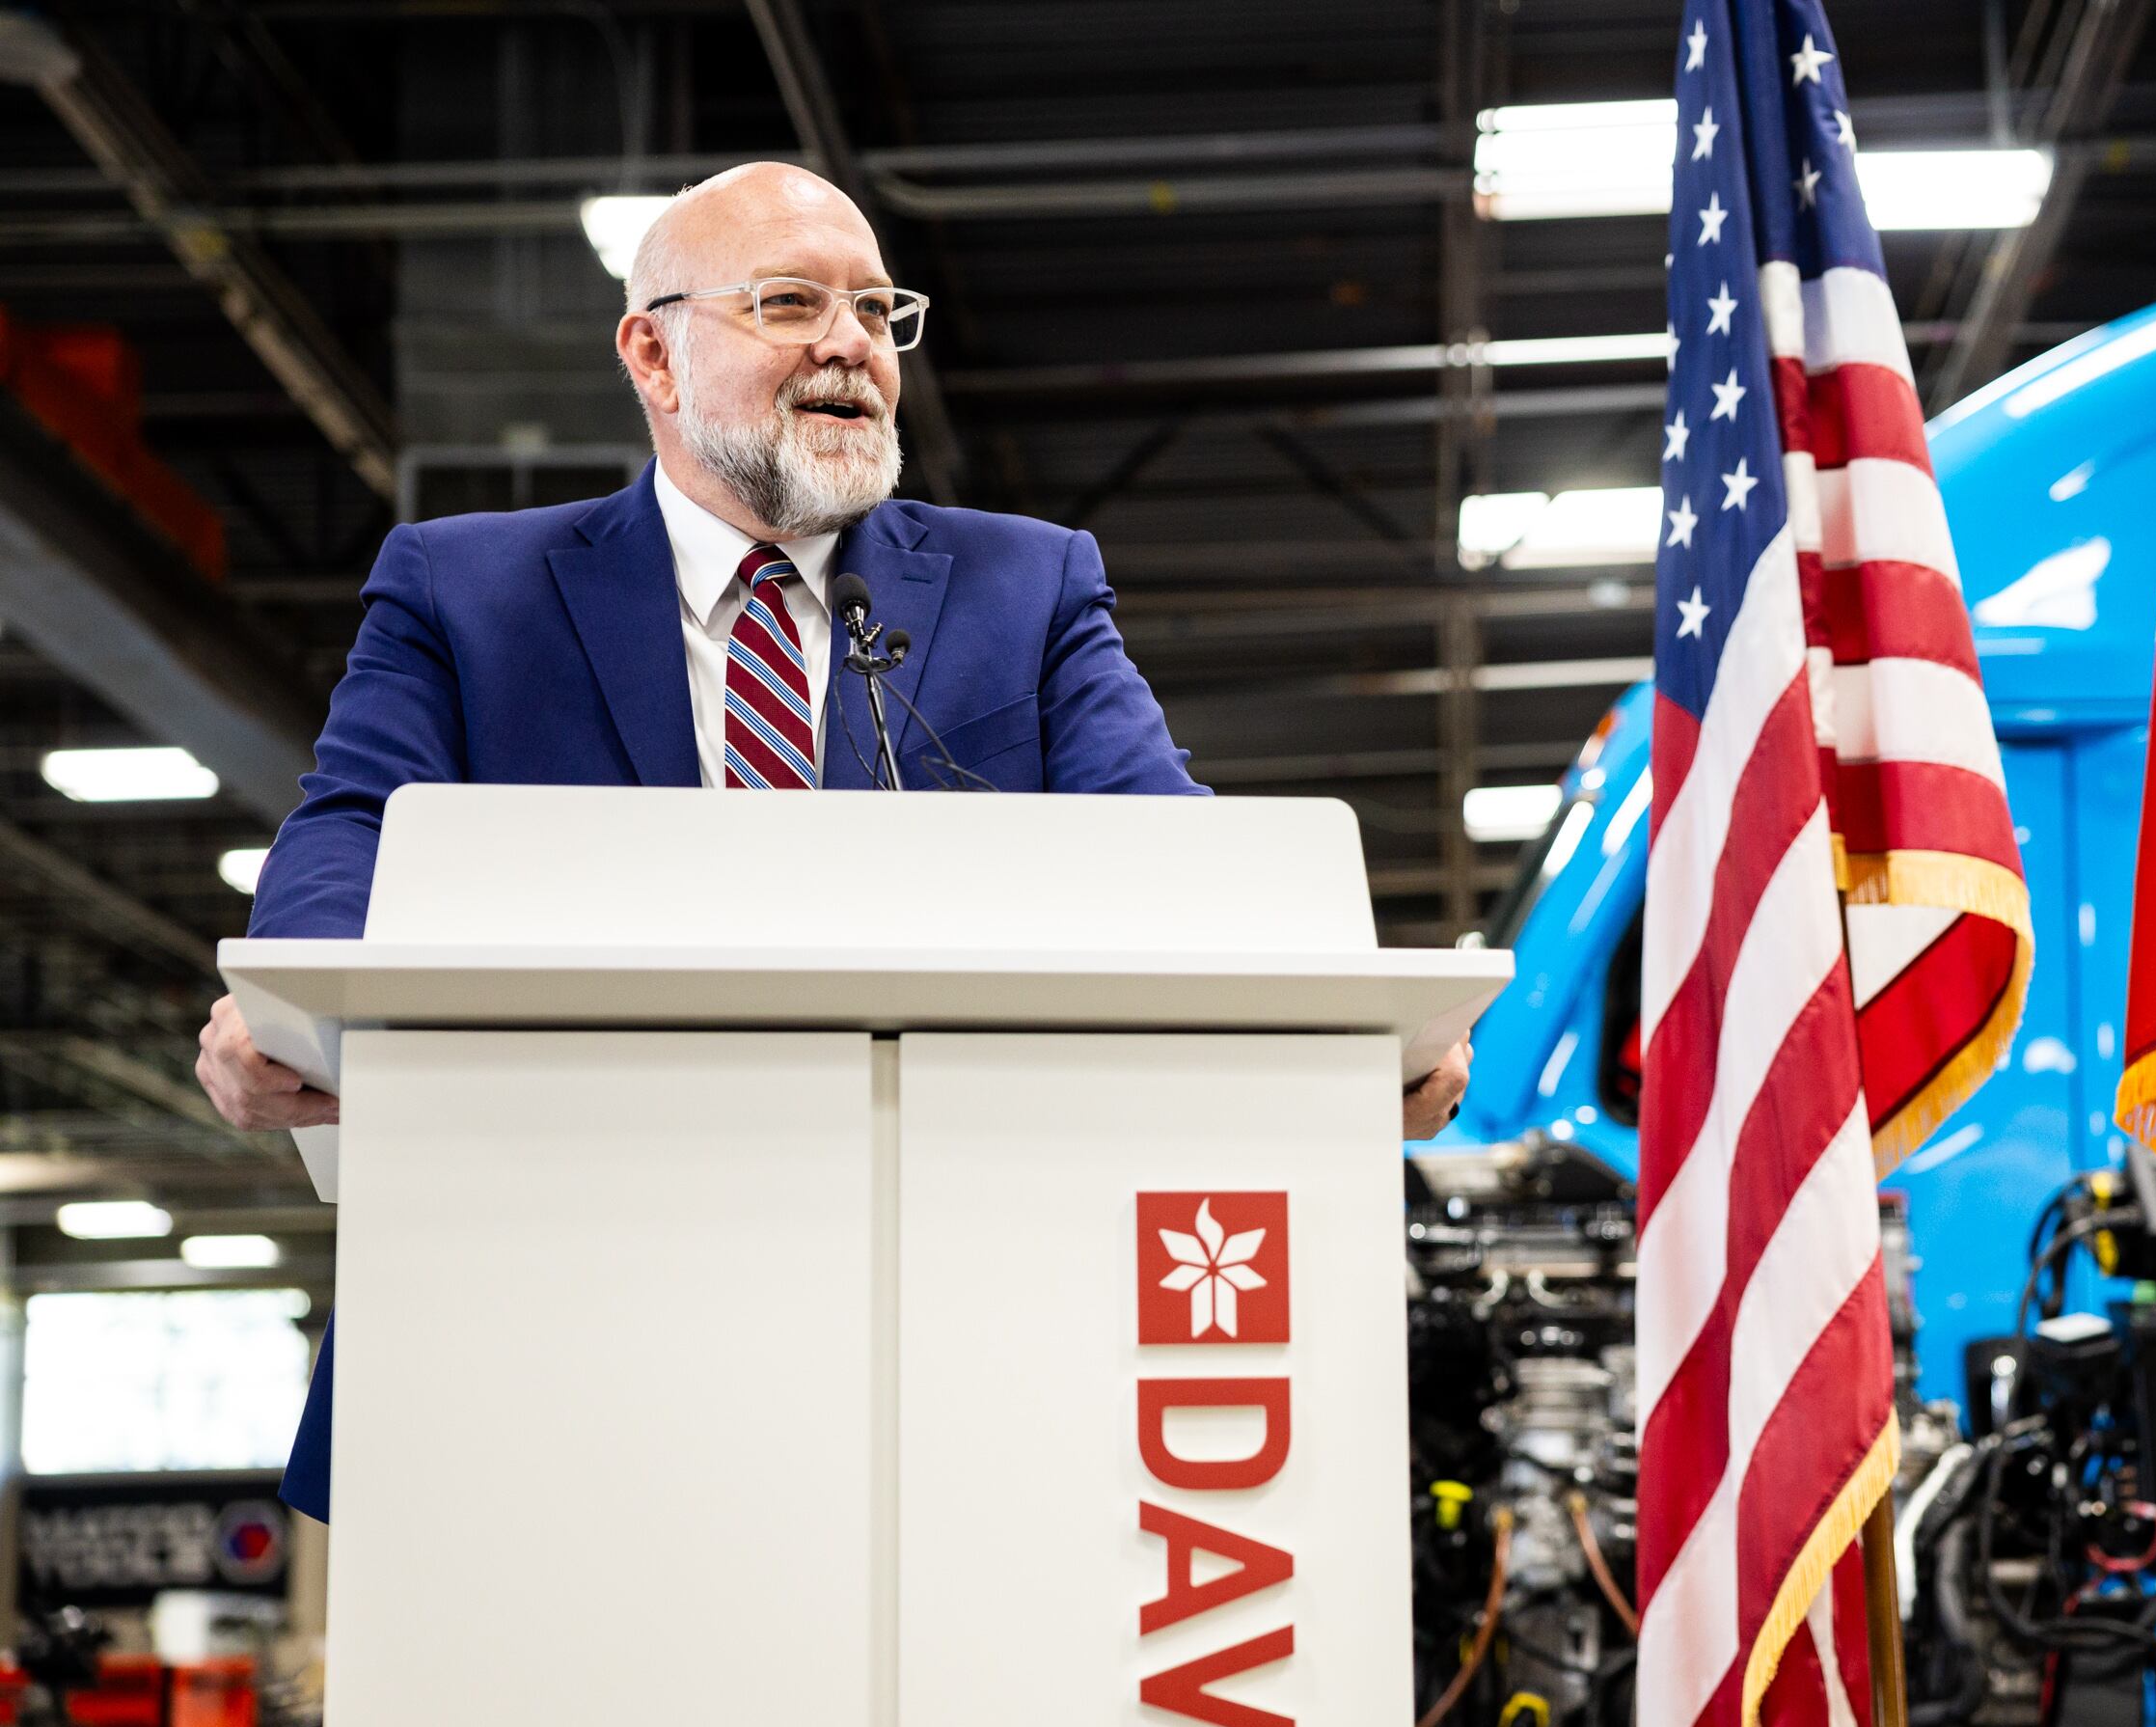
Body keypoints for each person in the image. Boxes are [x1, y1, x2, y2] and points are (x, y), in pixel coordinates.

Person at [195, 162, 1473, 1521]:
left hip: (953, 1345)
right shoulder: (465, 588)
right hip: (532, 1312)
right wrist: (295, 1008)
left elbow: (1178, 872)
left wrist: (1335, 1041)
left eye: (877, 310)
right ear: (653, 353)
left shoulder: (1025, 586)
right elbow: (346, 841)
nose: (850, 343)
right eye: (793, 302)